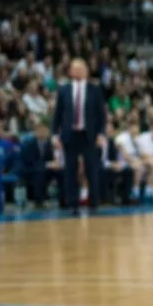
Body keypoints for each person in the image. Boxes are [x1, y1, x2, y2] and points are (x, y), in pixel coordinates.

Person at [50, 59, 107, 215]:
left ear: (87, 71)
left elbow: (101, 115)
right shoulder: (64, 90)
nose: (78, 71)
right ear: (70, 72)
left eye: (82, 68)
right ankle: (72, 204)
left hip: (89, 135)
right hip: (70, 134)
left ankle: (94, 203)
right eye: (75, 69)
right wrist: (55, 134)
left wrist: (101, 134)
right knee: (70, 170)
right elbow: (58, 114)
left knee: (91, 169)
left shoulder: (94, 89)